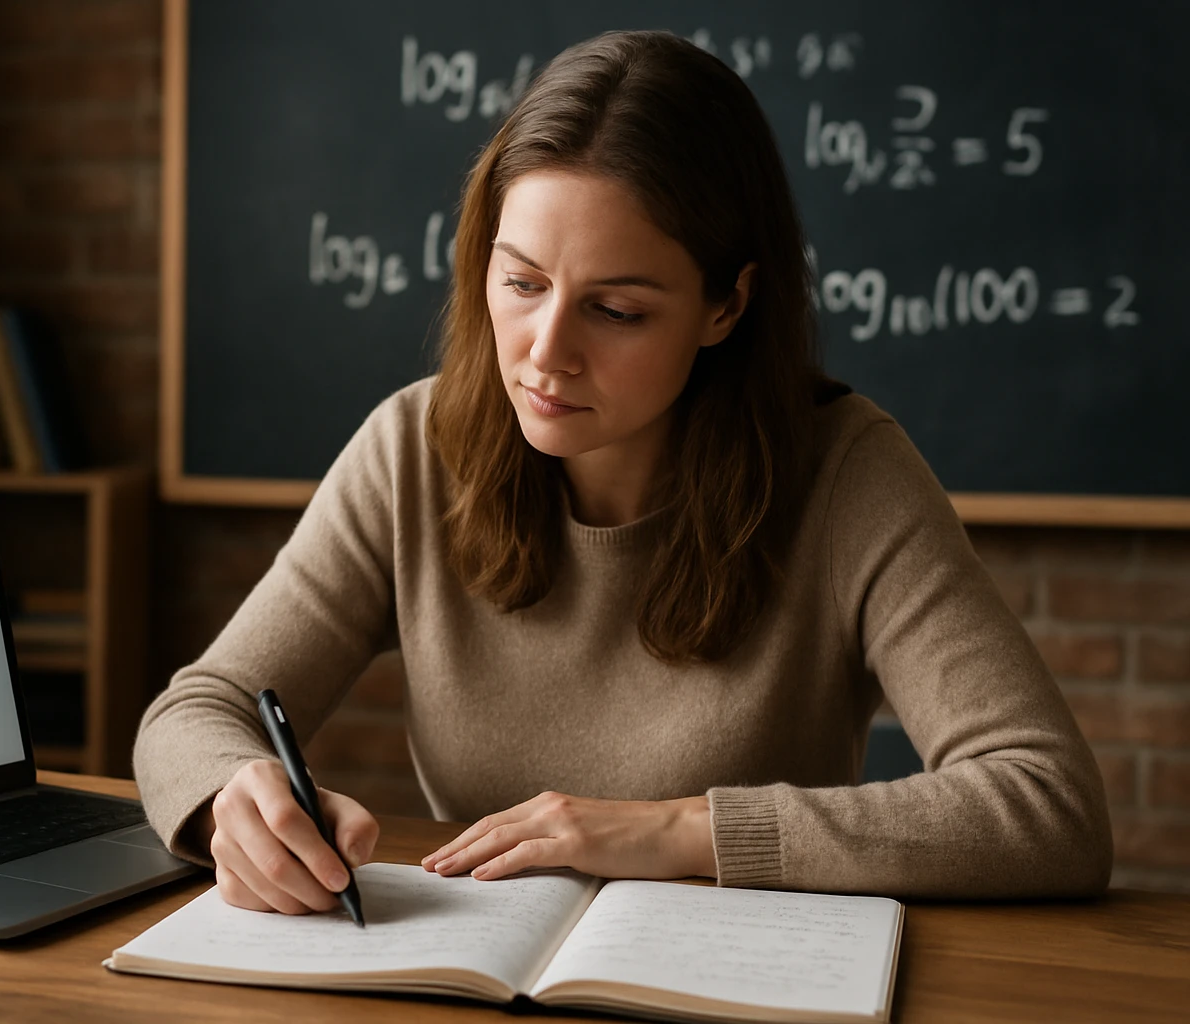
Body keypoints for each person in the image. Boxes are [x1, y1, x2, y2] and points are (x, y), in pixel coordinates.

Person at [134, 30, 1112, 917]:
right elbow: (196, 710)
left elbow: (1047, 803)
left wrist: (678, 832)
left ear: (727, 306)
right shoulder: (410, 449)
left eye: (617, 310)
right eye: (521, 282)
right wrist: (235, 798)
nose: (545, 353)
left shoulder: (848, 473)